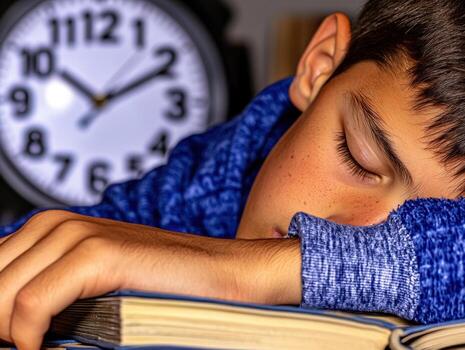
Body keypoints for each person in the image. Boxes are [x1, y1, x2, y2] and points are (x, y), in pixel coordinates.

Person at [1, 0, 465, 348]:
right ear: (319, 67)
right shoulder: (207, 180)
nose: (340, 232)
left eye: (436, 223)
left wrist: (245, 272)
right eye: (356, 157)